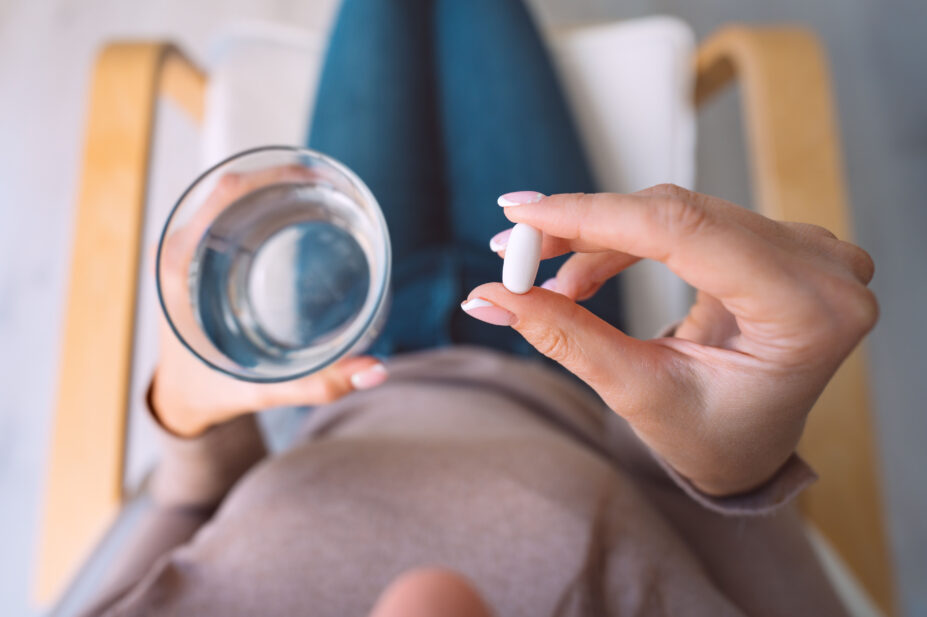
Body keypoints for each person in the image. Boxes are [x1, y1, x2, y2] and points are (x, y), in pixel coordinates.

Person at [80, 0, 877, 615]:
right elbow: (732, 541)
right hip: (565, 353)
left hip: (332, 345)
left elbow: (181, 516)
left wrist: (185, 414)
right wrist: (727, 461)